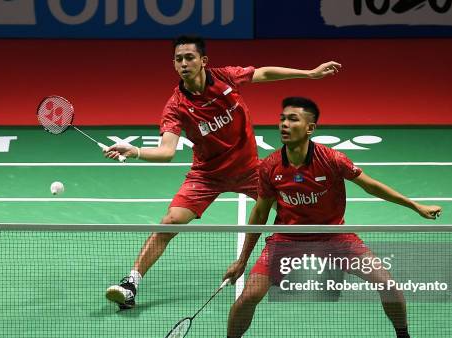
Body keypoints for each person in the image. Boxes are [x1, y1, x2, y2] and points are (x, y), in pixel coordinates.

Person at [199, 97, 442, 338]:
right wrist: (242, 260)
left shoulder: (331, 159)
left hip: (334, 237)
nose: (284, 124)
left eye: (293, 119)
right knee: (248, 295)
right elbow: (260, 213)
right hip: (287, 239)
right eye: (282, 119)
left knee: (388, 284)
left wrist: (415, 206)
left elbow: (371, 186)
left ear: (310, 127)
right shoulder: (270, 167)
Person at [104, 35, 342, 309]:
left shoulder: (226, 78)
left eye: (189, 57)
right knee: (169, 222)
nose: (184, 63)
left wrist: (309, 73)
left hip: (251, 169)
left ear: (203, 61)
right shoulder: (176, 106)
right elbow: (166, 152)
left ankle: (314, 261)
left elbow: (262, 73)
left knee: (297, 211)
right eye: (179, 59)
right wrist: (134, 151)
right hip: (207, 175)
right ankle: (131, 283)